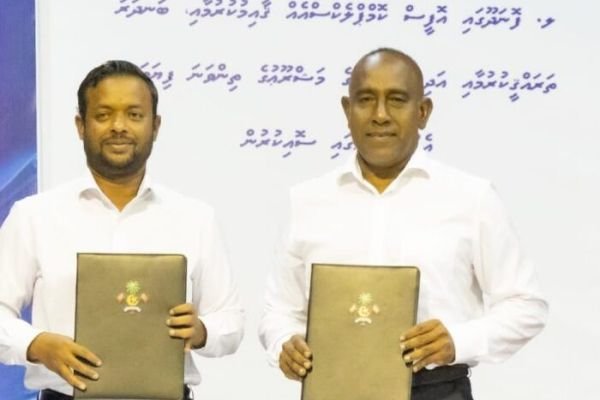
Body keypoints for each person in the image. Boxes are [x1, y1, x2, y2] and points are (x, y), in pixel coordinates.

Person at [258, 48, 548, 400]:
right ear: (347, 111)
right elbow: (279, 311)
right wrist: (284, 344)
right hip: (332, 386)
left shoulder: (472, 198)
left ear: (423, 112)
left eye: (396, 100)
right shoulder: (306, 201)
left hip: (437, 390)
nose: (380, 115)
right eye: (366, 100)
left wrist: (458, 341)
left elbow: (525, 305)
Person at [0, 60, 244, 399]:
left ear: (155, 126)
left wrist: (202, 331)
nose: (119, 127)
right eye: (103, 115)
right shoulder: (34, 216)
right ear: (81, 126)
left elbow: (230, 320)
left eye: (134, 115)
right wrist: (36, 344)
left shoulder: (195, 218)